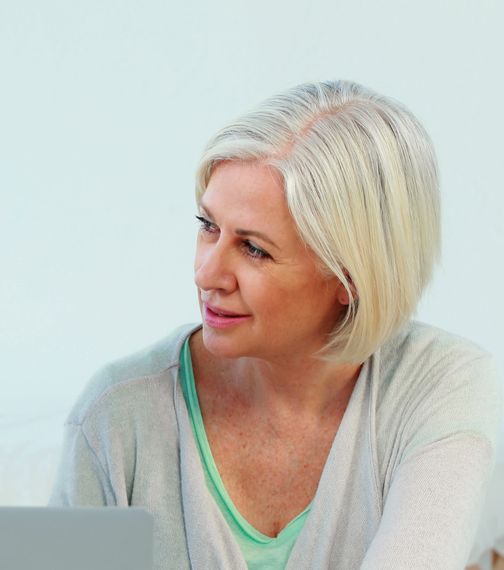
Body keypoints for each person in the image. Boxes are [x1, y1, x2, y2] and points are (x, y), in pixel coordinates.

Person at [50, 80, 502, 569]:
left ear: (349, 278)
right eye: (208, 227)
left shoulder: (440, 388)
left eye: (254, 249)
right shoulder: (117, 417)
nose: (206, 274)